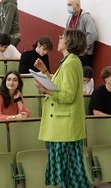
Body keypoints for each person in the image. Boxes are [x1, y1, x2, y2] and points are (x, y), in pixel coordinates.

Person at [34, 29, 90, 187]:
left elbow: (68, 95)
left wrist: (46, 91)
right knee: (70, 171)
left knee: (71, 171)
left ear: (69, 42)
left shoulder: (71, 62)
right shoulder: (68, 61)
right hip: (63, 126)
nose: (59, 39)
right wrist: (44, 71)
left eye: (62, 37)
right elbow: (60, 86)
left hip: (65, 126)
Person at [66, 0, 97, 67]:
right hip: (72, 53)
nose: (68, 7)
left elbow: (92, 35)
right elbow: (67, 33)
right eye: (68, 5)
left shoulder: (86, 17)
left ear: (77, 5)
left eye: (70, 5)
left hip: (84, 54)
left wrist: (81, 48)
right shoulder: (70, 18)